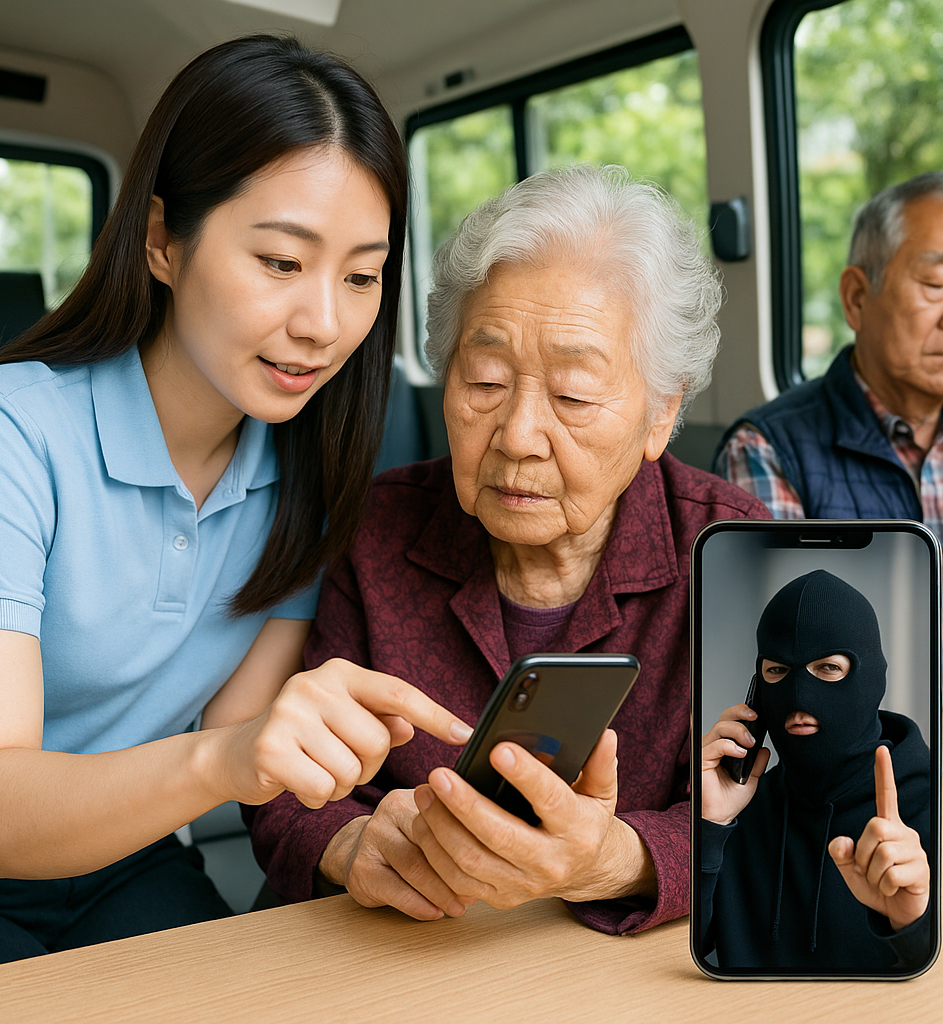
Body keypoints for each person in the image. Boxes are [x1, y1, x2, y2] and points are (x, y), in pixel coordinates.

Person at [0, 35, 473, 969]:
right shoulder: (5, 436)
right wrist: (227, 758)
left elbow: (253, 733)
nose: (323, 323)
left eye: (361, 275)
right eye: (282, 262)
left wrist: (393, 824)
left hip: (124, 864)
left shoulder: (307, 474)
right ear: (163, 241)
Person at [244, 164, 771, 935]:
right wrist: (354, 843)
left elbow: (790, 808)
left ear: (661, 415)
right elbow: (286, 785)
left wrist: (622, 860)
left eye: (573, 397)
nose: (519, 437)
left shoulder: (733, 551)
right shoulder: (379, 529)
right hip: (402, 949)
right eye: (485, 380)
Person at [714, 171, 943, 789]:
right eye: (936, 284)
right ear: (856, 297)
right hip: (884, 773)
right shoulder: (768, 450)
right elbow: (790, 677)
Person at [700, 570, 931, 972]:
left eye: (827, 668)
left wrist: (912, 922)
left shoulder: (929, 804)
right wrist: (709, 826)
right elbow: (686, 954)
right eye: (777, 672)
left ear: (871, 678)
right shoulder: (741, 806)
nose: (799, 698)